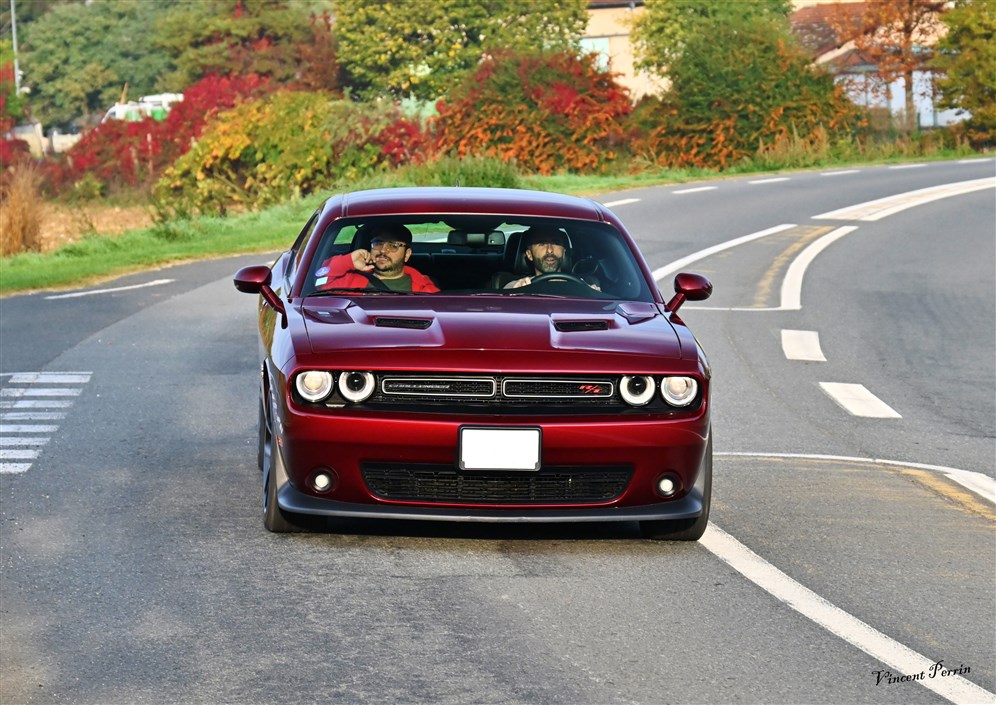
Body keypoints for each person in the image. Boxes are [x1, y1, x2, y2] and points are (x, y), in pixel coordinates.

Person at [315, 223, 438, 293]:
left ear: (407, 254)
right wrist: (348, 261)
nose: (383, 250)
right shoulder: (350, 281)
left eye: (393, 245)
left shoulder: (424, 289)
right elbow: (316, 281)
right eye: (378, 243)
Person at [504, 227, 598, 290]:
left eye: (556, 243)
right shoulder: (515, 286)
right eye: (542, 243)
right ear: (529, 254)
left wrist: (593, 295)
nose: (549, 250)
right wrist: (516, 295)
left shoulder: (583, 286)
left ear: (564, 252)